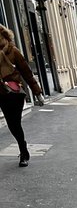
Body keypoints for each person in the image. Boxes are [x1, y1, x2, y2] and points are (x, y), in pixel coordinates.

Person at [0, 24, 44, 167]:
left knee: (15, 123)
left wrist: (37, 93)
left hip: (15, 93)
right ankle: (23, 146)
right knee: (12, 124)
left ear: (5, 36)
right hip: (1, 93)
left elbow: (27, 72)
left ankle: (23, 151)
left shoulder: (14, 51)